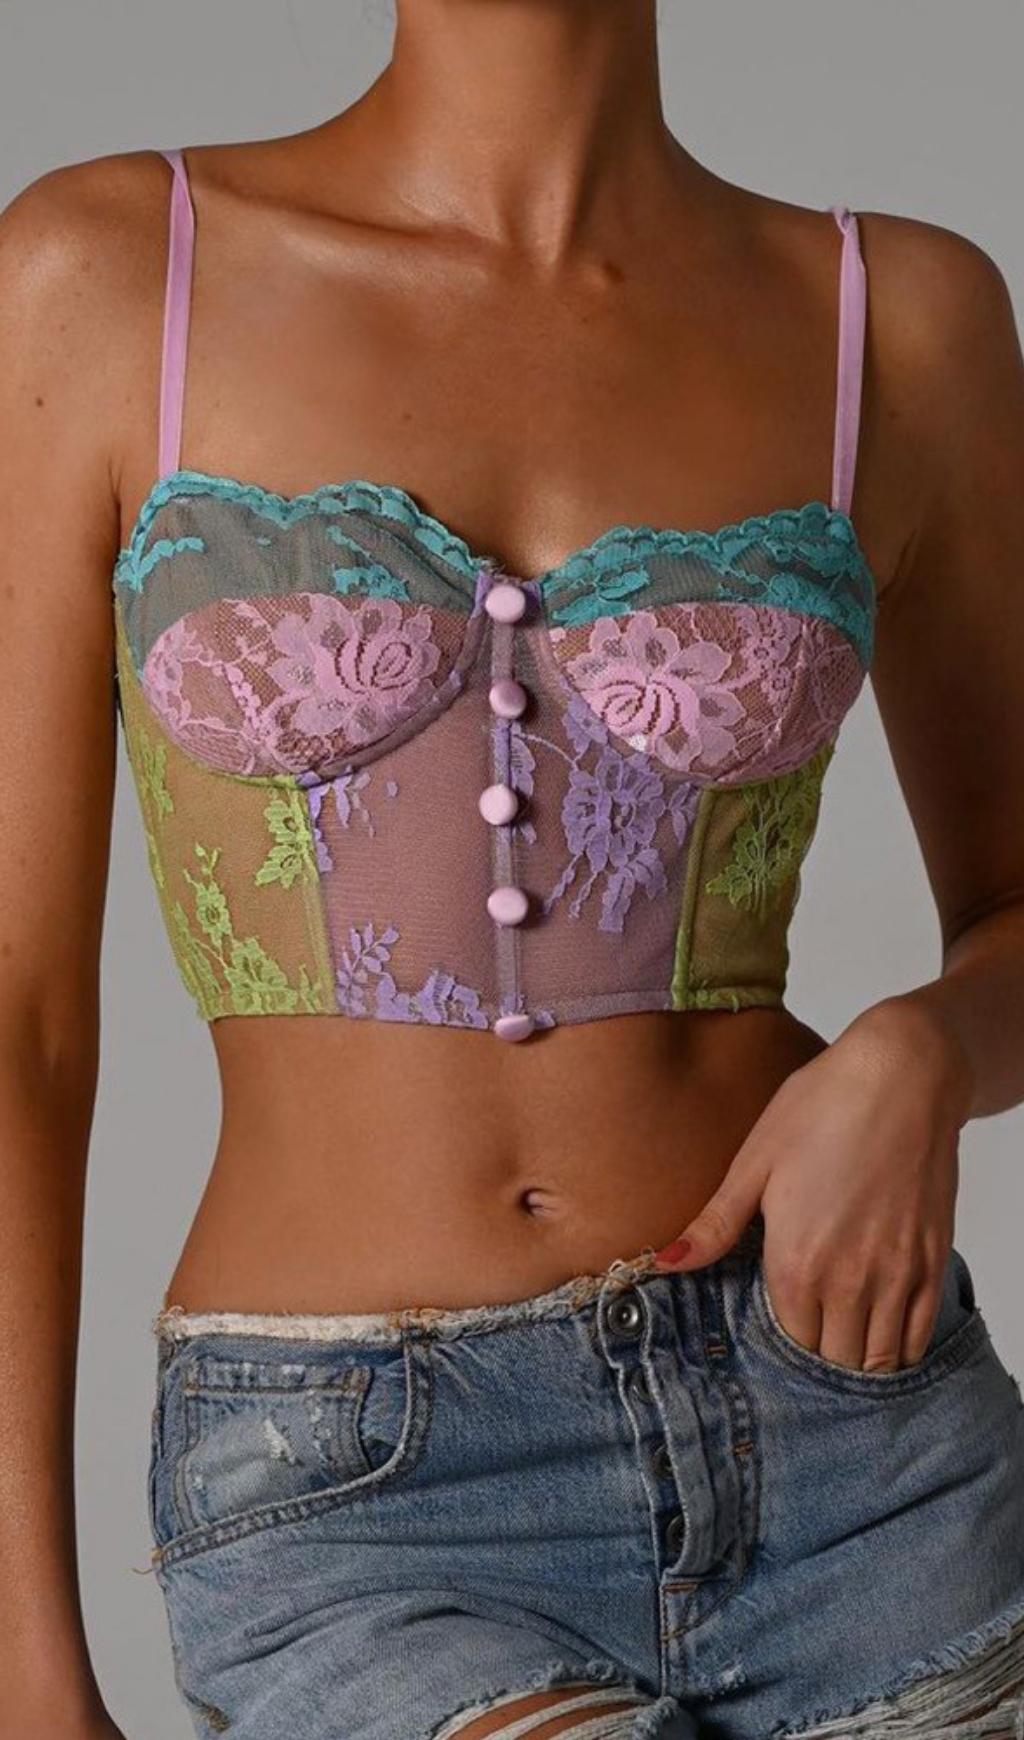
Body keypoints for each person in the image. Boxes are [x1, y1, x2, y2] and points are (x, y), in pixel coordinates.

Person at [2, 3, 1024, 1738]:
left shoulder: (895, 315)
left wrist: (920, 1048)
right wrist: (24, 1665)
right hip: (358, 1487)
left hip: (864, 1453)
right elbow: (19, 1015)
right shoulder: (111, 273)